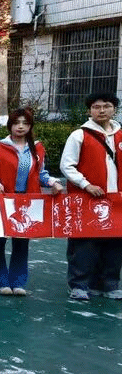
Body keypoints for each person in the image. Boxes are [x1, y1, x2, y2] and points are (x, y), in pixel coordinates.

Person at [0, 108, 63, 296]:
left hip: (28, 202)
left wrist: (53, 182)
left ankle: (18, 282)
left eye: (25, 123)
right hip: (3, 200)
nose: (20, 127)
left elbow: (41, 174)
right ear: (10, 125)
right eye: (16, 123)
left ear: (30, 126)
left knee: (22, 242)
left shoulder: (37, 148)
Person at [60, 93, 122, 301]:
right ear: (89, 111)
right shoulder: (79, 135)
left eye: (106, 106)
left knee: (114, 244)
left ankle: (109, 284)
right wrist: (86, 185)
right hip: (88, 198)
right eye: (96, 107)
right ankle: (79, 285)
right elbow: (67, 165)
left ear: (114, 109)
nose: (101, 110)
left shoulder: (120, 135)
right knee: (84, 244)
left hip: (116, 201)